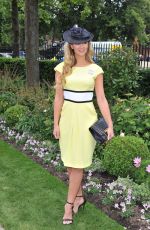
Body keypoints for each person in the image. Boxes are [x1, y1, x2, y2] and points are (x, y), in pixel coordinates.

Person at [53, 25, 114, 225]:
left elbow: (102, 99)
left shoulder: (95, 70)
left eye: (84, 42)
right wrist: (56, 123)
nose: (81, 46)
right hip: (67, 119)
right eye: (77, 43)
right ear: (70, 45)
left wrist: (110, 125)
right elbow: (58, 98)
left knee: (78, 164)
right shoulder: (62, 68)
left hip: (86, 120)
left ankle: (68, 205)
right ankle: (80, 197)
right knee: (70, 165)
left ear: (88, 44)